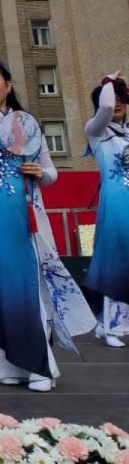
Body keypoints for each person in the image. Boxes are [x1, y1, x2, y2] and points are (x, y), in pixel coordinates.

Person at [0, 37, 94, 390]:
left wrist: (40, 173)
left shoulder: (25, 124)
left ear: (9, 85)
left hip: (25, 215)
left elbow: (51, 171)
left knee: (27, 287)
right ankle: (4, 368)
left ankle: (40, 367)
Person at [84, 73, 129, 348]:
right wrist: (108, 83)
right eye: (115, 98)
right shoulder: (95, 130)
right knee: (117, 261)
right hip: (115, 200)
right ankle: (112, 326)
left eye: (123, 97)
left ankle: (103, 322)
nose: (119, 103)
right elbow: (107, 109)